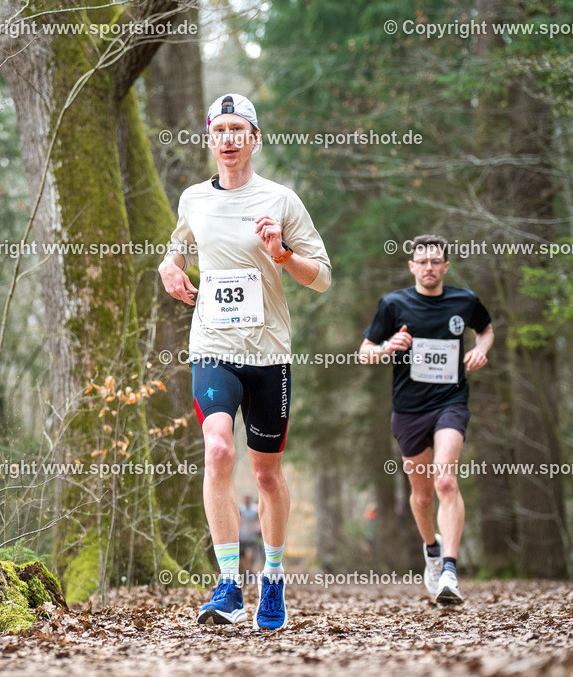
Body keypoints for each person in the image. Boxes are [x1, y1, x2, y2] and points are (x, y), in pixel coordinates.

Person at [158, 93, 331, 630]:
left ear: (255, 139)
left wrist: (281, 254)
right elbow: (179, 244)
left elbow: (322, 277)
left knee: (266, 472)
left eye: (239, 129)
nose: (229, 139)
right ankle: (229, 584)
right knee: (216, 448)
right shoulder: (192, 199)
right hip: (212, 346)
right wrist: (170, 264)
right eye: (220, 129)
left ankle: (273, 582)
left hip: (269, 354)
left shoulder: (281, 200)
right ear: (210, 138)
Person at [357, 235, 493, 605]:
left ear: (445, 267)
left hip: (451, 401)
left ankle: (449, 568)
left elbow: (485, 328)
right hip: (409, 409)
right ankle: (431, 551)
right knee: (421, 496)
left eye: (436, 261)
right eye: (423, 261)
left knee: (445, 480)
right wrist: (387, 347)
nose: (429, 267)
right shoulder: (394, 304)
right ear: (412, 267)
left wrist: (480, 350)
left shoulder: (464, 301)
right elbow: (364, 353)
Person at [238, 495, 263, 572]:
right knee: (242, 558)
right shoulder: (240, 509)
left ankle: (249, 572)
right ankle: (246, 572)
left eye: (248, 498)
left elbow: (259, 521)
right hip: (241, 537)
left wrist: (258, 528)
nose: (247, 500)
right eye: (245, 498)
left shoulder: (255, 510)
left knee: (249, 556)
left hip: (251, 538)